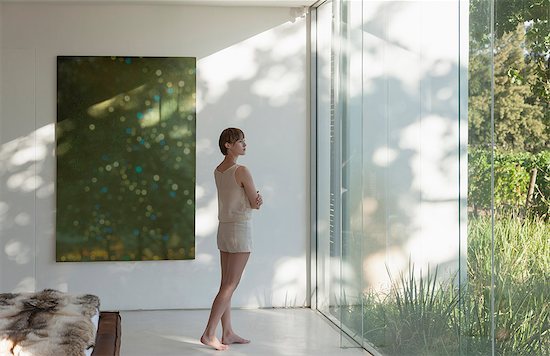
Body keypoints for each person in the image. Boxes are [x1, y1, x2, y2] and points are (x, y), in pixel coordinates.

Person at [200, 128, 263, 351]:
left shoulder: (218, 170)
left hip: (224, 229)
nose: (244, 145)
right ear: (228, 144)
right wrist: (258, 200)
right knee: (230, 284)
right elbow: (255, 203)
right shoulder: (242, 170)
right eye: (240, 141)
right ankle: (209, 333)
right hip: (239, 229)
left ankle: (227, 332)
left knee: (225, 283)